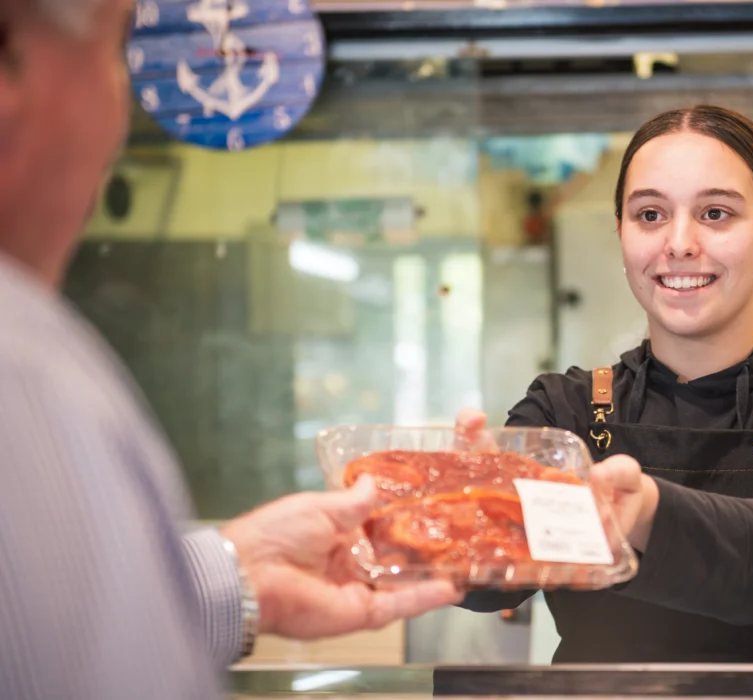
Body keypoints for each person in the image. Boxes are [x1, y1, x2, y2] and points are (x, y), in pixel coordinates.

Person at [0, 1, 461, 698]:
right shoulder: (25, 374)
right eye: (113, 54)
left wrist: (239, 572)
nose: (117, 121)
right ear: (13, 87)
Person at [457, 106, 753, 664]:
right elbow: (487, 584)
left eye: (715, 213)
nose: (680, 242)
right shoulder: (562, 409)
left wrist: (644, 512)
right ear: (620, 233)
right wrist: (463, 512)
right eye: (649, 215)